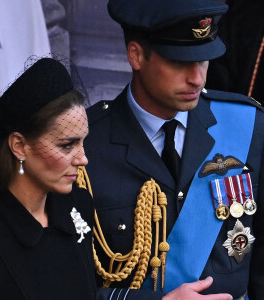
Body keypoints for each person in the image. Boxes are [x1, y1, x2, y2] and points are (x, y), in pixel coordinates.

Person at [83, 0, 264, 299]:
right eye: (180, 62)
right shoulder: (87, 145)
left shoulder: (249, 126)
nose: (197, 78)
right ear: (136, 55)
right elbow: (66, 281)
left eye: (204, 59)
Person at [0, 58, 96, 299]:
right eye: (67, 145)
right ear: (20, 146)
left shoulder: (78, 206)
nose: (82, 158)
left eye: (82, 142)